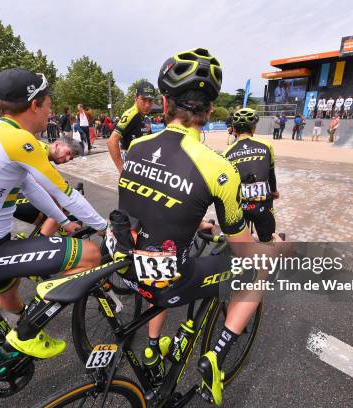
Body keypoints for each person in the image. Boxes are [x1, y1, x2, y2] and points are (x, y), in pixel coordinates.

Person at [116, 48, 283, 406]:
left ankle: (151, 347)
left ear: (164, 103)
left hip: (126, 267)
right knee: (261, 265)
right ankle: (217, 358)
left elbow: (151, 209)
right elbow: (241, 246)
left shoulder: (138, 146)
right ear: (209, 112)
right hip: (166, 276)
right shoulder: (219, 167)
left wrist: (196, 222)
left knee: (162, 246)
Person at [0, 68, 108, 358]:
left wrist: (64, 221)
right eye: (49, 107)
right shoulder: (20, 141)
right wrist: (105, 229)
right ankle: (26, 333)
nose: (49, 115)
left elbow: (30, 187)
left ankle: (10, 341)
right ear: (35, 104)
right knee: (90, 254)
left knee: (10, 289)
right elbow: (66, 194)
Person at [223, 108, 279, 242]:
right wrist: (274, 191)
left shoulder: (226, 152)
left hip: (241, 206)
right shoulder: (266, 146)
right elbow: (271, 173)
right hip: (263, 205)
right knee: (267, 242)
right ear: (254, 129)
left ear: (234, 130)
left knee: (242, 245)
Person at [106, 81, 155, 173]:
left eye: (150, 100)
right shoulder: (131, 114)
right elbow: (111, 141)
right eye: (144, 99)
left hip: (139, 163)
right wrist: (122, 170)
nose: (147, 105)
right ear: (135, 98)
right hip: (132, 166)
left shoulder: (142, 115)